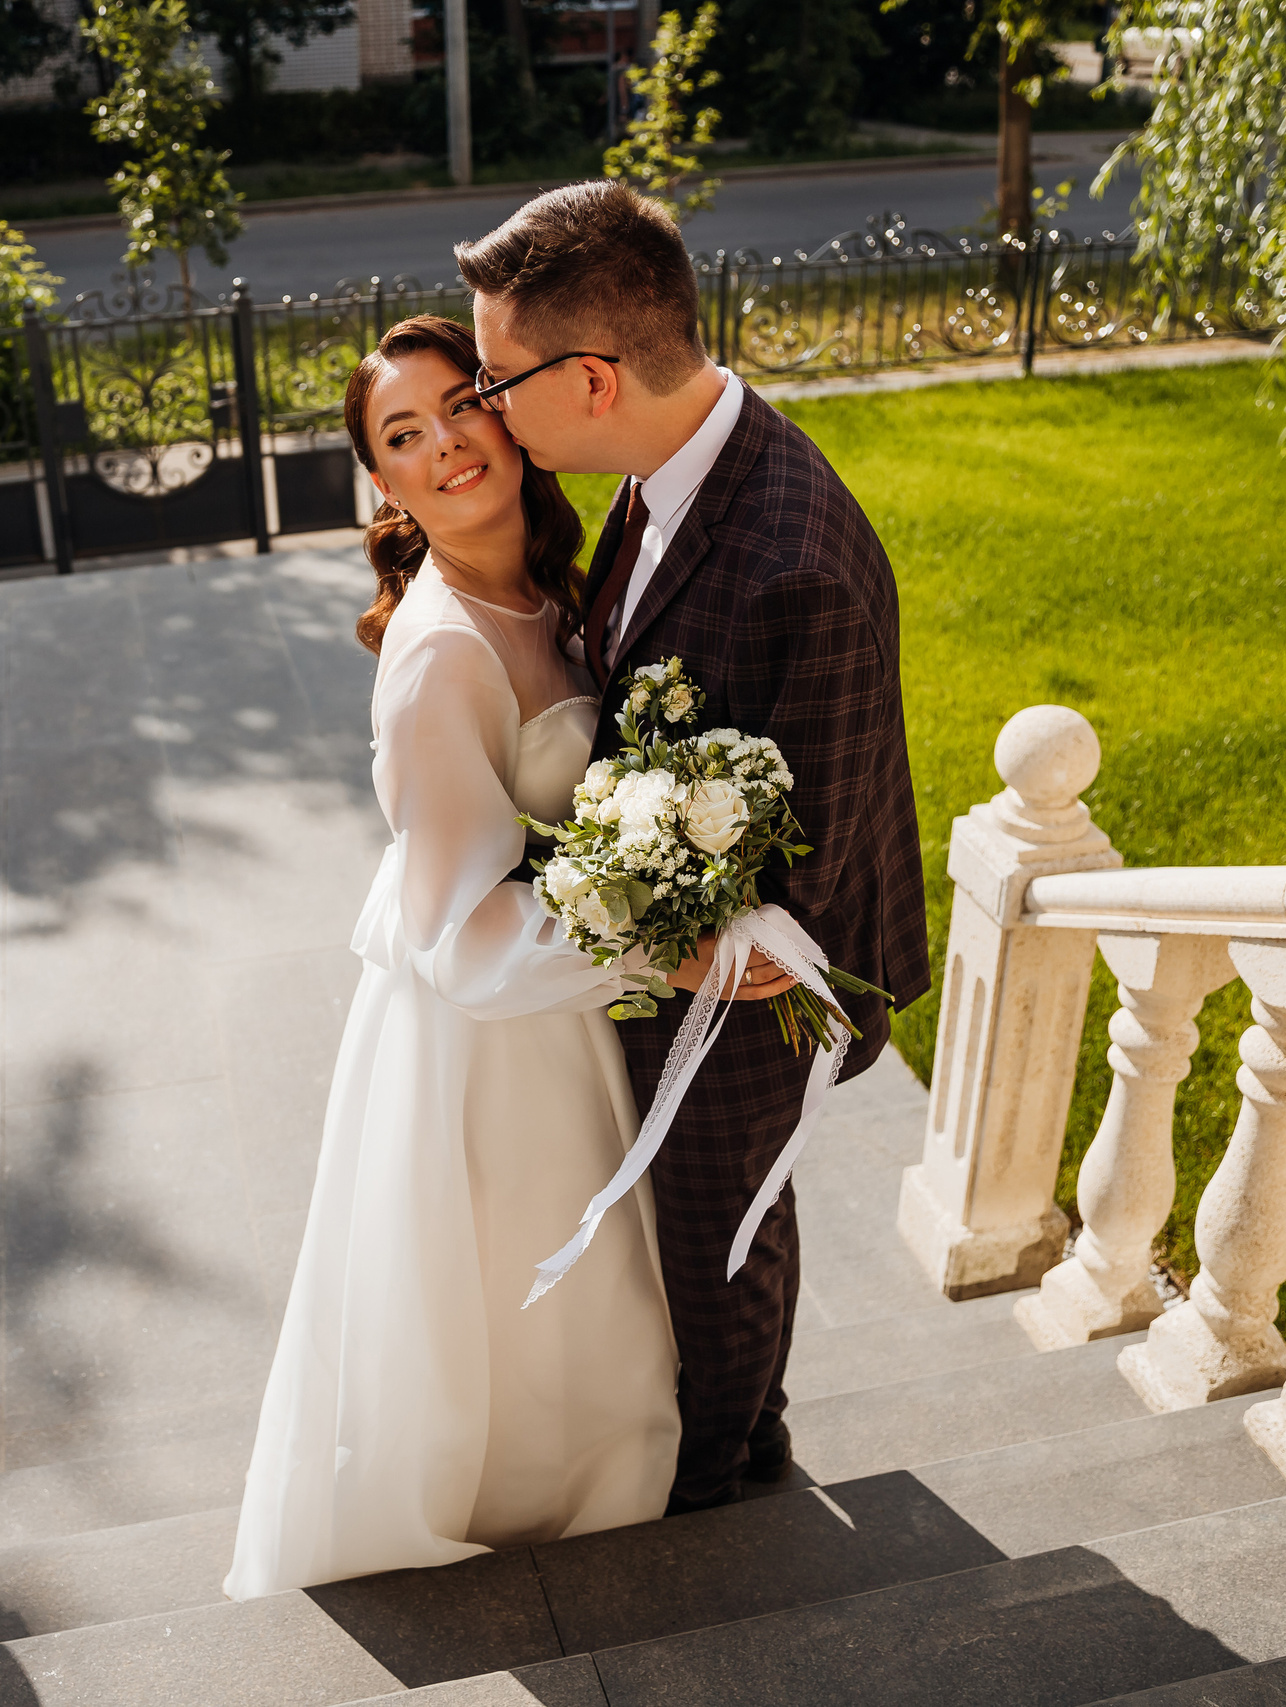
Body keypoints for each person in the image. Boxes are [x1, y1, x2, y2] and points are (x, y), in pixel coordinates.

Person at [455, 180, 932, 1515]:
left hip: (750, 980)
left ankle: (726, 1467)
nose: (486, 409)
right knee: (705, 1213)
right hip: (673, 933)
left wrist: (643, 934)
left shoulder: (796, 560)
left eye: (497, 381)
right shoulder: (669, 467)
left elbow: (807, 888)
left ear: (593, 377)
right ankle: (736, 1429)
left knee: (718, 1219)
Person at [227, 315, 716, 1597]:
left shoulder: (555, 580)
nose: (444, 444)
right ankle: (546, 1526)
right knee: (532, 1294)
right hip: (492, 1041)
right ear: (381, 484)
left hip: (559, 1002)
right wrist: (666, 950)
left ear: (509, 409)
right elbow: (457, 929)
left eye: (460, 406)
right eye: (403, 436)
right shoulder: (439, 654)